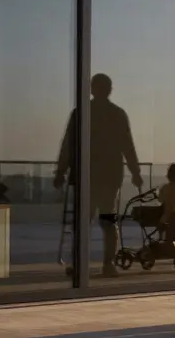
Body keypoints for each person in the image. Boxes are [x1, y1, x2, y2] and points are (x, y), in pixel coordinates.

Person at [54, 73, 142, 278]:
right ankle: (108, 264)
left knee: (83, 223)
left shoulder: (81, 113)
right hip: (109, 177)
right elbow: (127, 146)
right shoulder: (117, 114)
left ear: (92, 89)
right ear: (109, 89)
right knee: (108, 221)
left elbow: (68, 145)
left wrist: (60, 171)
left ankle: (80, 265)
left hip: (86, 177)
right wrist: (135, 173)